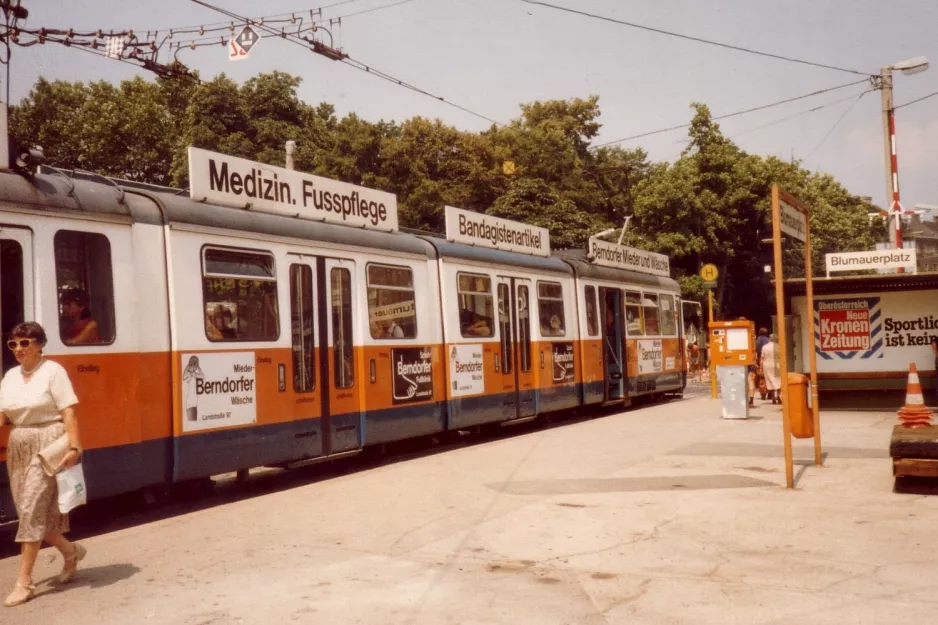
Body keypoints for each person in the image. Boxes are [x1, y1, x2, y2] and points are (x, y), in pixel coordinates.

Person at [0, 322, 86, 607]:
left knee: (31, 509)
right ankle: (70, 551)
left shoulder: (53, 372)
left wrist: (74, 446)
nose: (19, 349)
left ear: (39, 344)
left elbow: (69, 413)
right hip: (19, 445)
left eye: (25, 343)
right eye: (14, 344)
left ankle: (24, 582)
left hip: (49, 443)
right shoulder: (11, 376)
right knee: (29, 511)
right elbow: (2, 416)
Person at [762, 333, 782, 404]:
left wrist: (761, 367)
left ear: (769, 339)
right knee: (778, 381)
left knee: (770, 381)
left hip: (767, 365)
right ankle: (779, 396)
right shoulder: (779, 346)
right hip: (777, 365)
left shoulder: (765, 347)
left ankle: (773, 397)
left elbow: (762, 357)